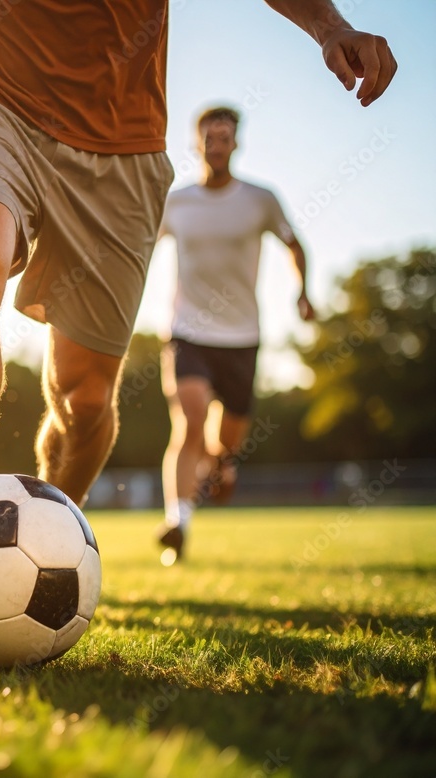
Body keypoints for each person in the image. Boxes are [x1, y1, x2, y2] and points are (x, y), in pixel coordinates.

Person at [0, 0, 396, 639]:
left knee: (85, 402)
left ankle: (46, 540)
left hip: (121, 143)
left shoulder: (256, 200)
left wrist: (331, 26)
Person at [156, 106, 316, 564]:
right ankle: (178, 522)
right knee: (188, 423)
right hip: (187, 332)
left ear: (235, 144)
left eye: (224, 138)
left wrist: (303, 292)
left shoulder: (260, 199)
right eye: (209, 138)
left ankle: (221, 465)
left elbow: (293, 243)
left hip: (242, 337)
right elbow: (141, 245)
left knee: (225, 446)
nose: (216, 145)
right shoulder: (177, 201)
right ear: (197, 143)